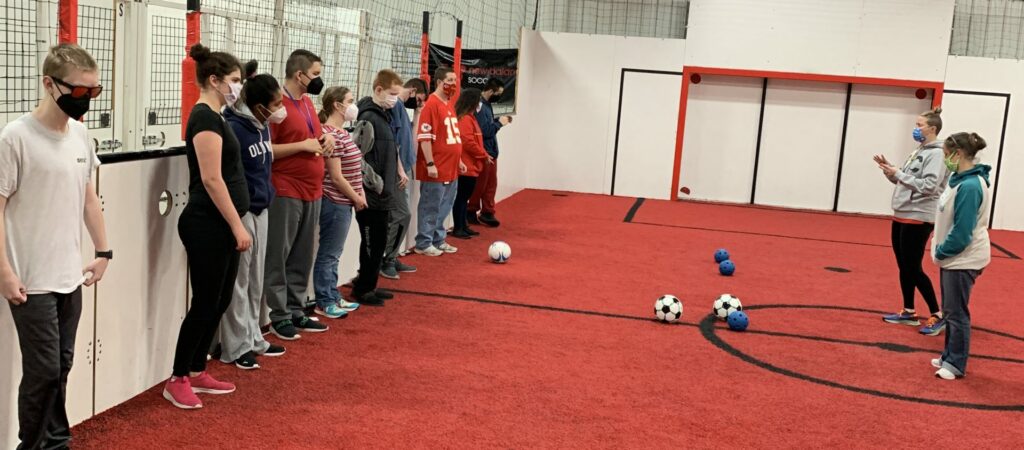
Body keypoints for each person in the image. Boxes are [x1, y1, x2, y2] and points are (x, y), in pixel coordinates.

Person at [1, 43, 110, 449]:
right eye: (79, 91)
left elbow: (88, 198)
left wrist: (103, 252)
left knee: (61, 366)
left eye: (94, 92)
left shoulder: (81, 135)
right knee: (44, 369)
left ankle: (56, 442)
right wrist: (5, 272)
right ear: (49, 84)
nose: (87, 100)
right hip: (30, 280)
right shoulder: (15, 138)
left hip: (70, 275)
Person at [164, 43, 250, 409]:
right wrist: (237, 226)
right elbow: (212, 180)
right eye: (233, 80)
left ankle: (198, 369)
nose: (238, 87)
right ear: (214, 81)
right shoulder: (203, 119)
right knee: (204, 302)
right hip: (206, 223)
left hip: (223, 225)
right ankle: (177, 377)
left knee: (221, 299)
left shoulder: (220, 118)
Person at [216, 60, 287, 370]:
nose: (281, 109)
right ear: (259, 106)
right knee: (239, 281)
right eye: (276, 104)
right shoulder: (233, 127)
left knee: (256, 278)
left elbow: (263, 167)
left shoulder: (262, 124)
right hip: (242, 211)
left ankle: (254, 335)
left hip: (261, 206)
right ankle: (235, 346)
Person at [265, 49, 334, 340]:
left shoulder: (306, 102)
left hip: (312, 190)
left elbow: (312, 137)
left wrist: (325, 138)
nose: (319, 80)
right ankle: (279, 314)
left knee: (303, 255)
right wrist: (303, 146)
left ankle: (296, 309)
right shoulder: (276, 105)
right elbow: (268, 149)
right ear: (299, 75)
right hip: (286, 188)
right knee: (280, 255)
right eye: (316, 74)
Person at [875, 107, 949, 335]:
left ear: (932, 129)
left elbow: (929, 186)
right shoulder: (919, 151)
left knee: (913, 267)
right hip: (903, 212)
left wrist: (899, 174)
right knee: (904, 266)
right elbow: (909, 181)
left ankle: (938, 313)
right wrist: (892, 173)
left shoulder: (937, 154)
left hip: (918, 216)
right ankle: (909, 311)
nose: (916, 129)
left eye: (920, 125)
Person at [930, 132, 991, 380]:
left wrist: (941, 251)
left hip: (962, 257)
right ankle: (948, 355)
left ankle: (956, 363)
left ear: (958, 154)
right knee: (950, 310)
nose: (945, 159)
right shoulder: (957, 179)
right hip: (952, 257)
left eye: (946, 155)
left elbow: (962, 231)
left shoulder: (970, 186)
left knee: (956, 312)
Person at [351, 70, 404, 306]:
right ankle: (363, 288)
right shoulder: (369, 118)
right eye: (392, 93)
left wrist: (396, 173)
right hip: (372, 194)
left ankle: (369, 282)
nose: (395, 99)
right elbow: (357, 156)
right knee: (372, 242)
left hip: (383, 192)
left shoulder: (384, 115)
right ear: (379, 89)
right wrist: (377, 184)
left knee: (379, 241)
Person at [312, 86, 367, 318]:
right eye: (350, 100)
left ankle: (333, 295)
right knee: (329, 253)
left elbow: (353, 169)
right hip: (335, 202)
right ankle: (324, 300)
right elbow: (335, 176)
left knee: (335, 252)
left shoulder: (343, 133)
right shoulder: (329, 134)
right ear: (337, 105)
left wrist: (359, 192)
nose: (353, 105)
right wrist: (355, 197)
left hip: (346, 201)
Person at [414, 67, 467, 257]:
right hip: (437, 166)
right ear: (439, 82)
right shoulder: (432, 105)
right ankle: (424, 241)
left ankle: (438, 238)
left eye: (455, 80)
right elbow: (425, 137)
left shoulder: (448, 104)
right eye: (450, 80)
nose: (453, 84)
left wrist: (459, 160)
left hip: (451, 167)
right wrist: (430, 163)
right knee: (431, 205)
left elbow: (451, 136)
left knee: (445, 205)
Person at [380, 77, 428, 280]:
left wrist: (418, 113)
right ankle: (387, 259)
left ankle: (392, 255)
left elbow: (411, 140)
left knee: (400, 215)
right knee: (402, 214)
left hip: (404, 169)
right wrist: (399, 169)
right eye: (420, 99)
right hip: (396, 171)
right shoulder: (395, 107)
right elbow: (394, 143)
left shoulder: (404, 110)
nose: (419, 103)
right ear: (414, 90)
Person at [469, 78, 512, 228]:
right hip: (484, 152)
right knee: (480, 185)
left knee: (490, 184)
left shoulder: (487, 106)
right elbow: (484, 131)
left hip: (491, 150)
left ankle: (487, 211)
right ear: (491, 91)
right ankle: (471, 210)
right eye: (498, 93)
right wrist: (500, 123)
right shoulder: (480, 106)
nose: (499, 96)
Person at [451, 89, 493, 239]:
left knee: (465, 197)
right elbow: (468, 142)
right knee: (462, 197)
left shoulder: (470, 118)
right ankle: (459, 227)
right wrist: (483, 154)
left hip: (472, 164)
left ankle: (463, 225)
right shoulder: (466, 119)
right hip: (467, 165)